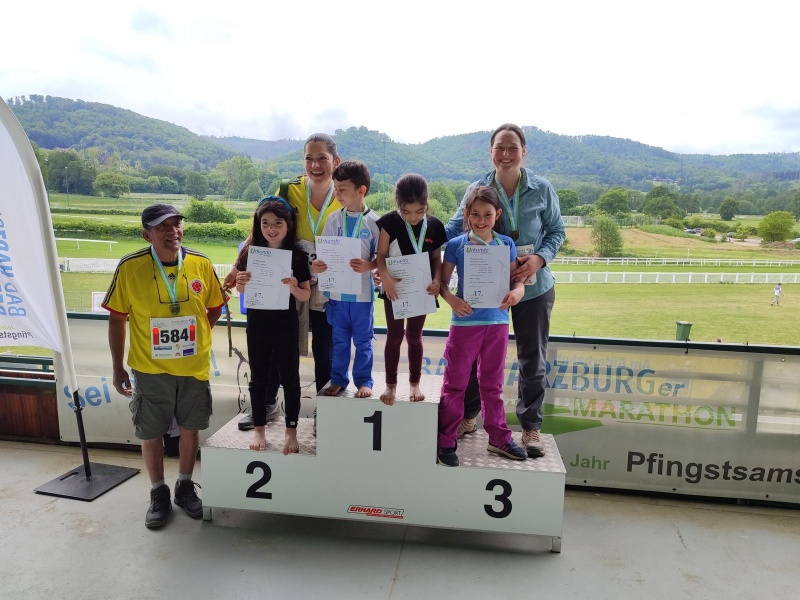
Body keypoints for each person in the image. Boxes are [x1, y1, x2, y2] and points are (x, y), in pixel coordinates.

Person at [444, 123, 565, 458]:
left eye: (513, 148)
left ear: (523, 151)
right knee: (473, 359)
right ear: (491, 151)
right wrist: (408, 244)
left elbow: (556, 230)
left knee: (532, 359)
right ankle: (469, 417)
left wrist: (539, 258)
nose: (506, 154)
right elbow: (452, 228)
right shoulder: (477, 188)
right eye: (500, 147)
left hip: (532, 286)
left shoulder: (542, 188)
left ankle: (530, 427)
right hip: (484, 290)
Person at [103, 204, 223, 529]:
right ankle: (158, 492)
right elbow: (117, 318)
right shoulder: (130, 266)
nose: (172, 231)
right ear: (147, 234)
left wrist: (198, 338)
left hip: (193, 367)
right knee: (151, 431)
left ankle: (185, 486)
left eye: (176, 224)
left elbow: (214, 307)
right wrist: (117, 367)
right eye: (162, 227)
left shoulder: (201, 263)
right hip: (149, 368)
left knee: (191, 428)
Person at [225, 133, 343, 428]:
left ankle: (325, 414)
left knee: (325, 349)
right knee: (281, 346)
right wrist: (237, 265)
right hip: (288, 274)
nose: (315, 165)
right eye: (309, 158)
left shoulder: (343, 191)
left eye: (322, 159)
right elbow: (262, 224)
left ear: (335, 162)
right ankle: (267, 405)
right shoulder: (289, 189)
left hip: (328, 279)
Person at [437, 186, 527, 466]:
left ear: (497, 214)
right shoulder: (456, 245)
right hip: (465, 324)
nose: (480, 220)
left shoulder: (506, 244)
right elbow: (442, 283)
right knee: (455, 384)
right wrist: (452, 300)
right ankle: (445, 440)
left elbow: (516, 281)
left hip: (497, 323)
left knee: (492, 385)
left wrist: (517, 293)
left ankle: (498, 438)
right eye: (475, 214)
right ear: (466, 213)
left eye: (487, 214)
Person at [234, 197, 311, 454]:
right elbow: (241, 290)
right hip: (257, 325)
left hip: (286, 325)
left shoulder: (297, 256)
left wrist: (294, 288)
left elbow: (305, 295)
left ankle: (291, 431)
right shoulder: (250, 253)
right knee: (258, 379)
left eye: (278, 223)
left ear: (289, 225)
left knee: (290, 379)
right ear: (258, 225)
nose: (271, 229)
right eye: (265, 223)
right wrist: (241, 284)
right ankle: (259, 429)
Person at [376, 174, 446, 405]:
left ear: (427, 204)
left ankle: (415, 383)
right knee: (395, 336)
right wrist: (385, 279)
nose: (413, 217)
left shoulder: (434, 225)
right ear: (398, 204)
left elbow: (436, 259)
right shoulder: (389, 222)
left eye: (420, 211)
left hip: (422, 290)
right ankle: (390, 385)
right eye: (407, 212)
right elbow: (381, 255)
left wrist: (437, 280)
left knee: (415, 337)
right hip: (394, 288)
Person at [311, 160, 380, 398]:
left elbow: (382, 258)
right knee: (339, 341)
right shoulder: (333, 220)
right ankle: (338, 379)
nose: (337, 194)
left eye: (342, 190)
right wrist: (318, 265)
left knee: (363, 341)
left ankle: (364, 381)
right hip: (337, 295)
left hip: (362, 296)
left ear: (361, 190)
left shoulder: (375, 223)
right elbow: (323, 254)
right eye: (336, 189)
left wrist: (370, 265)